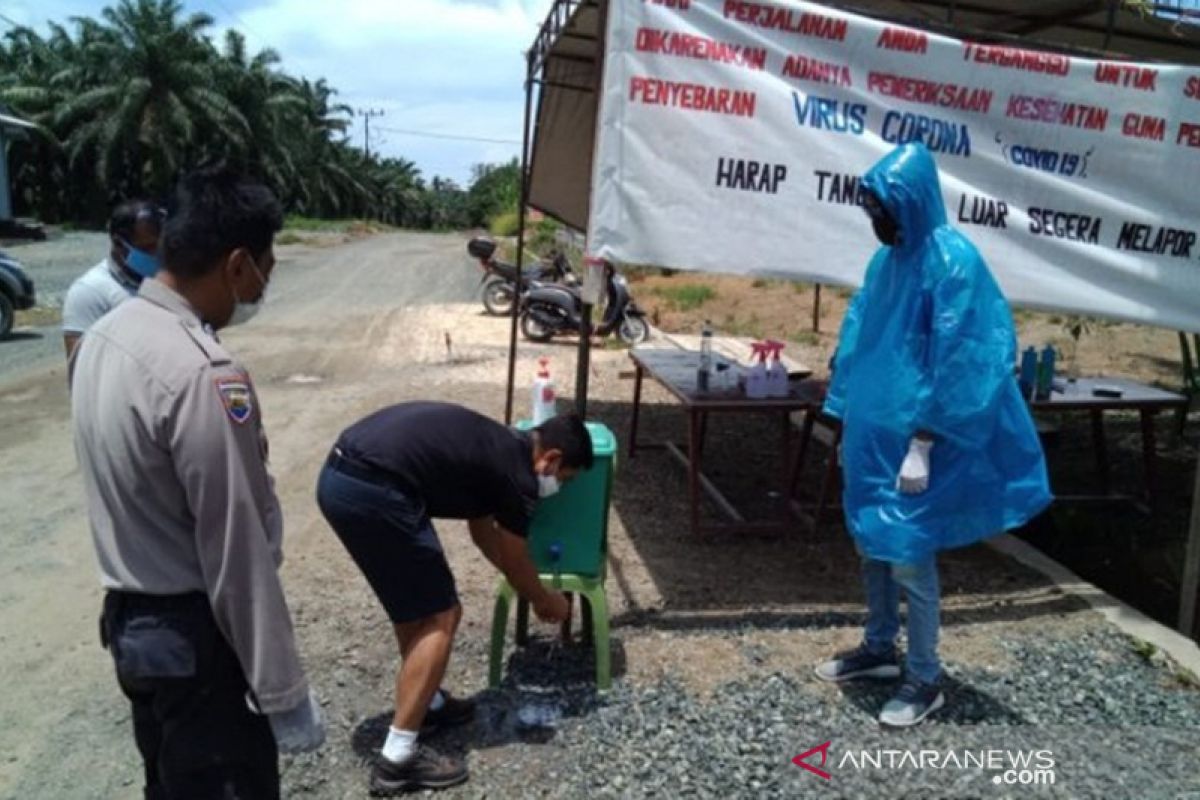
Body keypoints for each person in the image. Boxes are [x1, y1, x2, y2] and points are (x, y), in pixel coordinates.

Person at [71, 167, 324, 798]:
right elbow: (235, 551)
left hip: (136, 632)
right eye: (266, 267)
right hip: (196, 643)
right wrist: (283, 691)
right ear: (238, 264)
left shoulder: (103, 337)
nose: (262, 285)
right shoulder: (200, 371)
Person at [814, 143, 1052, 727]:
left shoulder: (952, 262)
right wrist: (844, 411)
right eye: (871, 209)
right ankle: (878, 648)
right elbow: (858, 337)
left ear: (911, 201)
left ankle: (924, 677)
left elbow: (967, 358)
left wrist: (925, 439)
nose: (876, 219)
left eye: (883, 207)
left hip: (916, 439)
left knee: (911, 558)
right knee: (871, 540)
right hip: (873, 433)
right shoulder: (885, 264)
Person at [316, 403, 594, 794]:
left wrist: (525, 584)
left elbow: (483, 536)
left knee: (416, 608)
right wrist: (545, 600)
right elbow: (516, 558)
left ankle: (428, 705)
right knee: (441, 616)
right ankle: (398, 759)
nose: (558, 488)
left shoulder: (499, 448)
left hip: (341, 478)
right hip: (376, 488)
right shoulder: (520, 478)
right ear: (551, 458)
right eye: (564, 479)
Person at [62, 199, 164, 357]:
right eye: (148, 247)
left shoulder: (170, 279)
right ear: (119, 244)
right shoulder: (90, 292)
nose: (156, 254)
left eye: (160, 245)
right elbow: (80, 370)